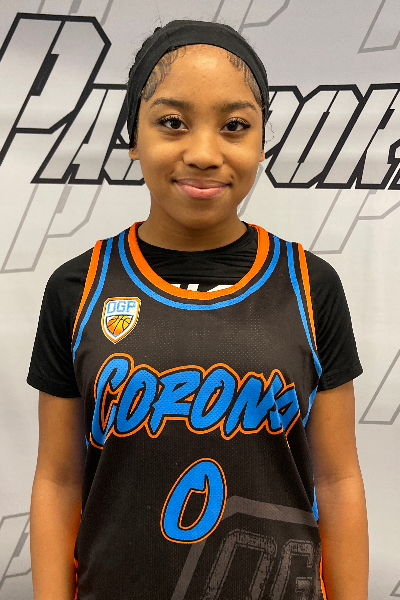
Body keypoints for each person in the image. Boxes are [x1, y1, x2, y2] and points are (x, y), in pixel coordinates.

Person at [28, 20, 368, 600]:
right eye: (172, 122)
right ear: (133, 136)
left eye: (235, 126)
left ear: (262, 143)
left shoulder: (311, 287)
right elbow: (58, 481)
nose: (204, 153)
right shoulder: (77, 289)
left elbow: (337, 481)